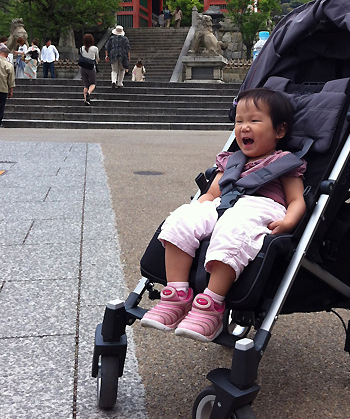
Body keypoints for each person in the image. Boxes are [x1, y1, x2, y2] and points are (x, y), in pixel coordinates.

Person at [141, 87, 306, 342]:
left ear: (279, 131)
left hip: (261, 207)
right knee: (181, 219)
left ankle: (212, 304)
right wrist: (198, 213)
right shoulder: (230, 161)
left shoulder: (283, 162)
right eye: (239, 121)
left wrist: (289, 221)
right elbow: (211, 194)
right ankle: (177, 294)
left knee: (233, 229)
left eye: (254, 120)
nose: (244, 127)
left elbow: (296, 200)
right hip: (225, 204)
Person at [78, 33, 100, 106]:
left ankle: (86, 100)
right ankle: (89, 93)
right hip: (91, 68)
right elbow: (97, 59)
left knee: (86, 84)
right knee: (93, 83)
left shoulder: (81, 48)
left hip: (83, 68)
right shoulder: (95, 48)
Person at [0, 43, 15, 126]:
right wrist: (11, 90)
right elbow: (11, 79)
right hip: (3, 88)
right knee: (1, 106)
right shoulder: (9, 65)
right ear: (6, 54)